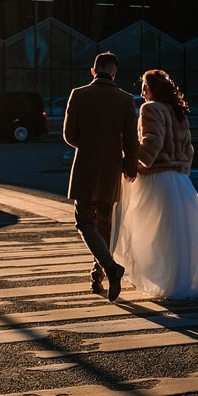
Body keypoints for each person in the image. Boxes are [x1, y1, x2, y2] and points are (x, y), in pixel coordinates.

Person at [112, 69, 198, 301]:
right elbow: (189, 148)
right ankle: (180, 282)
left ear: (153, 89)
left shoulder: (151, 108)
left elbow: (152, 141)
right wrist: (183, 168)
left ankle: (163, 280)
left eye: (145, 87)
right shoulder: (179, 112)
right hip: (179, 180)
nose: (142, 92)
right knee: (178, 235)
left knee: (151, 234)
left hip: (157, 179)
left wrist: (136, 164)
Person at [63, 51, 139, 301]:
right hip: (111, 169)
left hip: (85, 165)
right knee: (104, 224)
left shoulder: (79, 94)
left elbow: (69, 135)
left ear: (93, 71)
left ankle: (110, 268)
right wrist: (129, 168)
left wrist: (88, 145)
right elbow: (131, 141)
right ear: (115, 73)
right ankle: (97, 278)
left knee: (84, 223)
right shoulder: (126, 99)